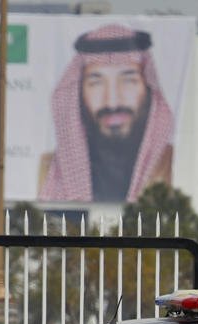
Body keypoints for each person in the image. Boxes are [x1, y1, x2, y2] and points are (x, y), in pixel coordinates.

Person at [38, 23, 174, 203]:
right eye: (96, 83)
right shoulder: (49, 169)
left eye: (128, 81)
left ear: (148, 89)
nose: (112, 102)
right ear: (79, 93)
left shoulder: (170, 163)